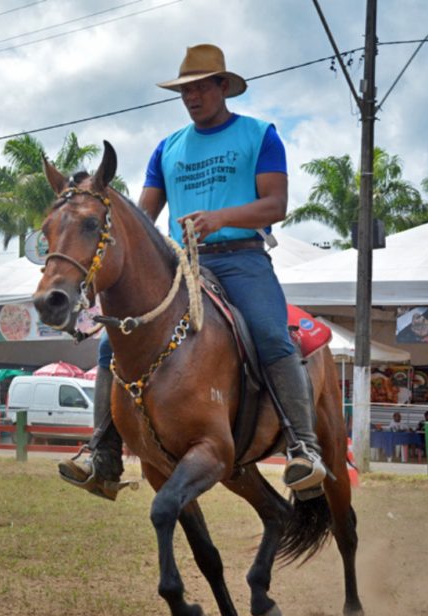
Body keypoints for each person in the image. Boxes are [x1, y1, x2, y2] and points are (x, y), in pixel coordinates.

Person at [60, 44, 329, 500]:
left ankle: (304, 447)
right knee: (111, 344)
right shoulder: (167, 148)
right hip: (180, 264)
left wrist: (220, 218)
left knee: (269, 333)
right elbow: (144, 217)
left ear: (223, 86)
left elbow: (276, 205)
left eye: (201, 86)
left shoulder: (260, 135)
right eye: (185, 89)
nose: (192, 96)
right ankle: (102, 453)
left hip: (242, 258)